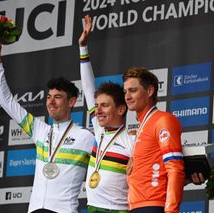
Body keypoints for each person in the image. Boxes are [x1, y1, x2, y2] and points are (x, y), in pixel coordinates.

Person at [0, 40, 94, 213]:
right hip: (35, 210)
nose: (51, 102)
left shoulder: (86, 137)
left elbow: (111, 150)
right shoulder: (40, 130)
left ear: (72, 101)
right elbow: (6, 101)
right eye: (49, 96)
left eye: (58, 97)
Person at [79, 15, 134, 212]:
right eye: (97, 105)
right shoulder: (98, 130)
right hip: (92, 208)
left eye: (105, 105)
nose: (98, 110)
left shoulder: (131, 140)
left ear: (121, 109)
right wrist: (83, 48)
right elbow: (87, 88)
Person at [123, 67, 186, 213]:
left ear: (150, 91)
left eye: (133, 90)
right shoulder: (142, 126)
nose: (127, 96)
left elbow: (175, 168)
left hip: (153, 206)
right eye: (125, 92)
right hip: (136, 206)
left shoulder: (163, 120)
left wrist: (171, 211)